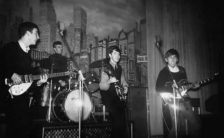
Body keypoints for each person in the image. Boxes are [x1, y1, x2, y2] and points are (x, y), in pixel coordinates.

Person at [0, 22, 48, 138]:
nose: (38, 37)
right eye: (36, 33)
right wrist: (10, 74)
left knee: (22, 129)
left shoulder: (27, 56)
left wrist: (39, 83)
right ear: (27, 34)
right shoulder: (9, 48)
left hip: (21, 100)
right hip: (8, 98)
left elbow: (27, 82)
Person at [155, 48, 201, 138]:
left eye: (174, 57)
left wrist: (193, 86)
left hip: (184, 100)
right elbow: (158, 88)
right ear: (166, 59)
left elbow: (185, 84)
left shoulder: (182, 70)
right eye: (170, 57)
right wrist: (170, 91)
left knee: (196, 124)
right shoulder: (163, 72)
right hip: (172, 101)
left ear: (177, 59)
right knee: (177, 127)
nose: (172, 59)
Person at [99, 46, 129, 138]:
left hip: (118, 98)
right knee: (117, 123)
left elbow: (123, 80)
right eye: (115, 53)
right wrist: (109, 81)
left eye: (119, 54)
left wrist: (125, 86)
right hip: (109, 98)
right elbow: (101, 86)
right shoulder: (106, 68)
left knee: (123, 124)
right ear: (110, 55)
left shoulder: (119, 68)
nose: (118, 56)